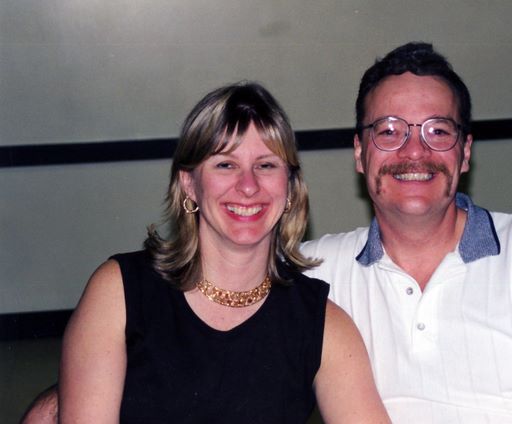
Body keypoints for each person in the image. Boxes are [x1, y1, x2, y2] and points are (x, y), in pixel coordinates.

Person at [300, 42, 512, 423]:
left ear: (464, 153)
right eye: (389, 131)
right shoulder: (318, 273)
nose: (415, 151)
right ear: (360, 153)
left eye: (438, 131)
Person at [27, 82, 389, 423]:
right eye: (225, 164)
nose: (248, 186)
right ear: (189, 184)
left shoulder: (322, 325)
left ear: (290, 188)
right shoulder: (118, 292)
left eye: (265, 165)